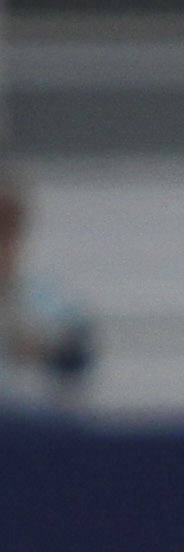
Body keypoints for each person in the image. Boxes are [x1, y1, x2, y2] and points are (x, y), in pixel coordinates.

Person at [0, 164, 99, 410]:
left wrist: (44, 349)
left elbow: (80, 360)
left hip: (29, 423)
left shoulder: (50, 301)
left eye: (7, 228)